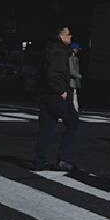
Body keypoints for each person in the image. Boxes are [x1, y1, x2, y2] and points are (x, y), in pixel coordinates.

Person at [33, 26, 81, 172]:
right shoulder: (59, 52)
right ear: (61, 36)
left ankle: (39, 162)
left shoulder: (49, 49)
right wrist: (62, 90)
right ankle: (63, 159)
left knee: (46, 128)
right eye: (68, 34)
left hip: (45, 95)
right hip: (57, 95)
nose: (70, 36)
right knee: (73, 123)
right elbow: (54, 73)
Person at [68, 42, 83, 112]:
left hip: (74, 82)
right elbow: (71, 70)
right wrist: (78, 75)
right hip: (71, 81)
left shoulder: (74, 58)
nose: (78, 50)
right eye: (77, 49)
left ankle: (73, 111)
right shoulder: (71, 58)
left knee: (74, 97)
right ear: (73, 49)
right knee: (72, 97)